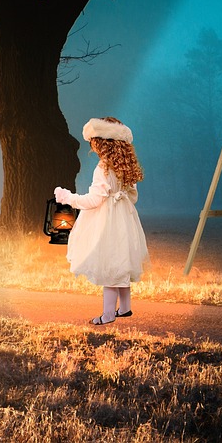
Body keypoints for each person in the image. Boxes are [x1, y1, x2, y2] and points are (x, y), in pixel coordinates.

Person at [54, 116, 150, 325]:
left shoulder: (103, 168)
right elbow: (133, 196)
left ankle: (107, 315)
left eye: (93, 142)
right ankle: (124, 309)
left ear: (102, 143)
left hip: (108, 221)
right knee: (121, 262)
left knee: (110, 267)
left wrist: (68, 198)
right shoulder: (126, 167)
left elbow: (94, 199)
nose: (92, 146)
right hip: (125, 218)